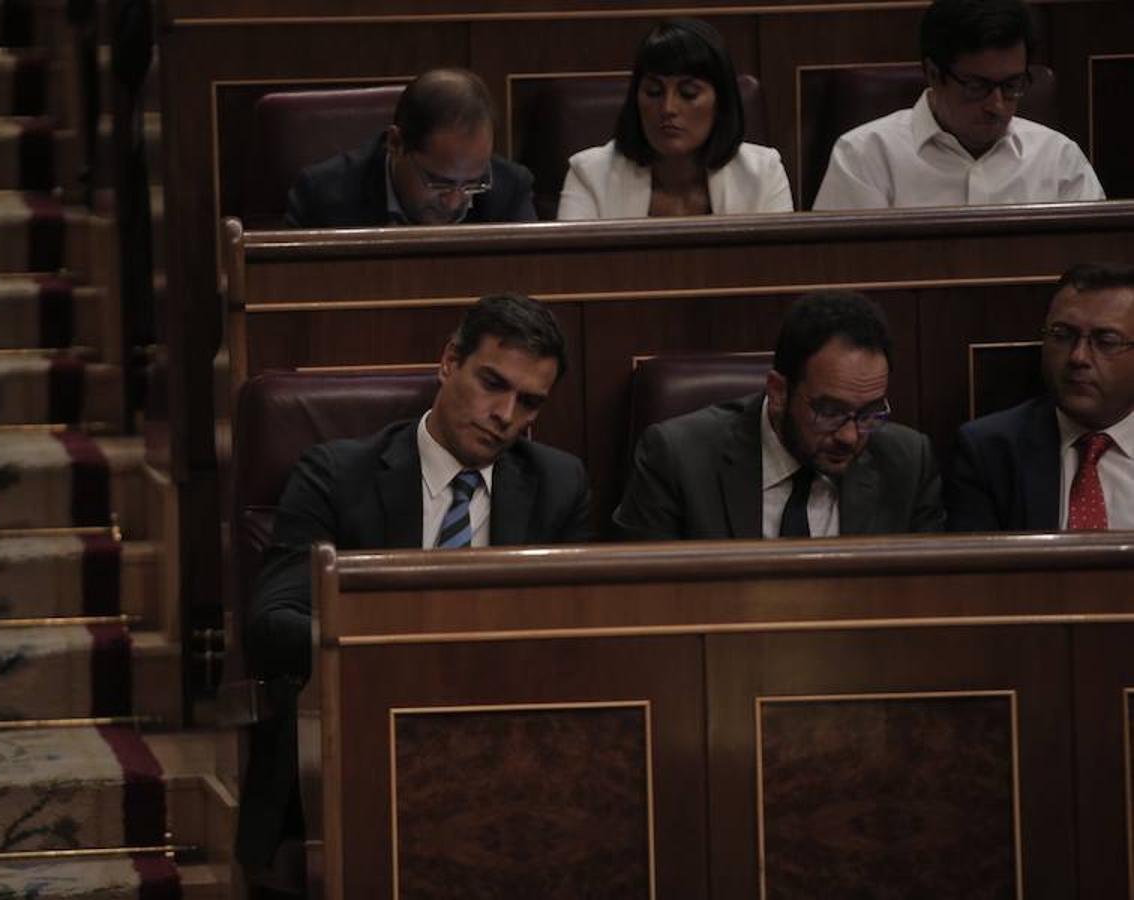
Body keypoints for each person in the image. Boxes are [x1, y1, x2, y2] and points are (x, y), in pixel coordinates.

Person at [237, 292, 593, 883]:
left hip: (508, 746)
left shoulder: (560, 485)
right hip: (362, 739)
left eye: (529, 402)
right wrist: (410, 654)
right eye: (492, 383)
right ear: (449, 362)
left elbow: (579, 640)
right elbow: (272, 626)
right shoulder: (335, 474)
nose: (505, 415)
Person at [614, 292, 945, 540]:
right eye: (830, 412)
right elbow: (642, 606)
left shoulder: (908, 464)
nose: (850, 436)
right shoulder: (678, 460)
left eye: (869, 413)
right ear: (778, 392)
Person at [813, 0, 1104, 210]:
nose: (998, 106)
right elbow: (842, 278)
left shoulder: (1059, 159)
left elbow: (1095, 276)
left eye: (1012, 85)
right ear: (933, 74)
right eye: (978, 87)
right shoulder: (865, 156)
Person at [947, 263, 1134, 531]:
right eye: (1062, 335)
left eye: (1106, 341)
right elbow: (978, 571)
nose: (1078, 357)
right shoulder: (990, 451)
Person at [557, 19, 793, 220]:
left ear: (721, 101)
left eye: (688, 93)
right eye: (653, 92)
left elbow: (782, 270)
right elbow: (570, 271)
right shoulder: (590, 175)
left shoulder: (764, 174)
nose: (668, 108)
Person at [284, 68, 537, 227]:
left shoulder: (510, 190)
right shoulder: (323, 196)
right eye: (439, 182)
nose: (454, 202)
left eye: (473, 184)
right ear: (396, 143)